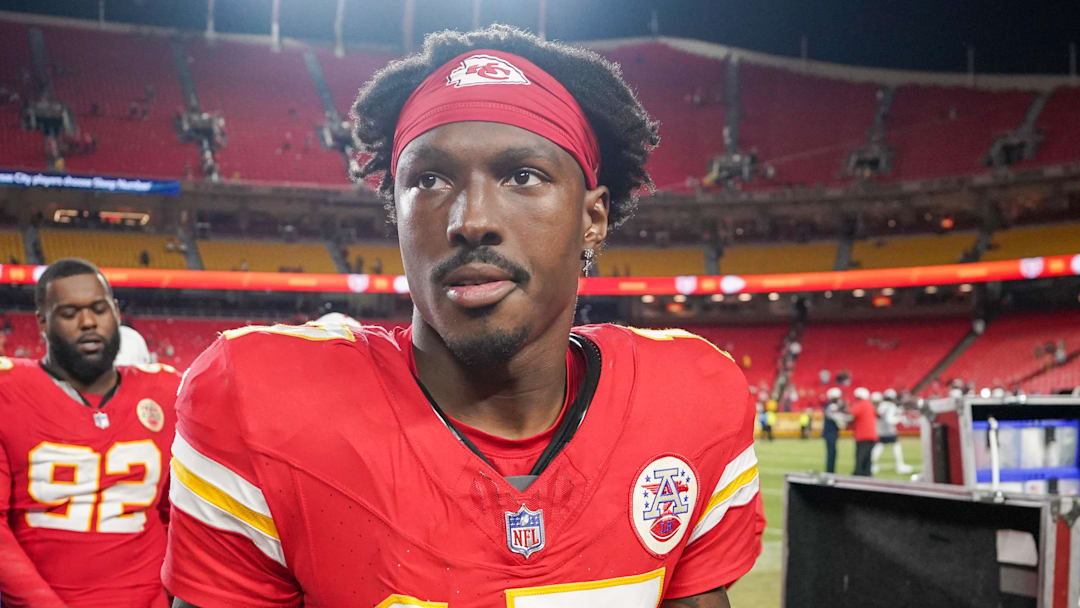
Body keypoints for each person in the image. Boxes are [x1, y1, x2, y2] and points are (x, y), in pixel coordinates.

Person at [164, 26, 763, 607]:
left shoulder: (689, 400)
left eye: (522, 176)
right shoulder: (260, 403)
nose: (471, 220)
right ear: (396, 214)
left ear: (593, 218)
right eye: (429, 180)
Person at [0, 258, 180, 607]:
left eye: (99, 309)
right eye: (69, 313)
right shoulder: (8, 390)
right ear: (42, 322)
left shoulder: (164, 390)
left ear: (115, 312)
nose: (88, 322)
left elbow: (177, 514)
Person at [871, 388, 912, 475]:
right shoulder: (890, 406)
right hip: (889, 431)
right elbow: (890, 420)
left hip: (880, 430)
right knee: (896, 447)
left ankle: (871, 465)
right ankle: (900, 465)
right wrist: (900, 418)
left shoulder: (881, 405)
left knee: (879, 447)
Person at [850, 387, 878, 476]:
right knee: (868, 456)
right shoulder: (869, 404)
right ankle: (867, 473)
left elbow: (851, 414)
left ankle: (859, 473)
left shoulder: (861, 404)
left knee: (860, 456)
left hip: (863, 435)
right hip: (871, 435)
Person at [822, 387, 848, 473]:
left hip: (831, 432)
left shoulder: (832, 405)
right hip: (830, 433)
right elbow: (839, 420)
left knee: (832, 452)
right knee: (831, 453)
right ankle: (830, 471)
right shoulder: (831, 406)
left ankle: (831, 470)